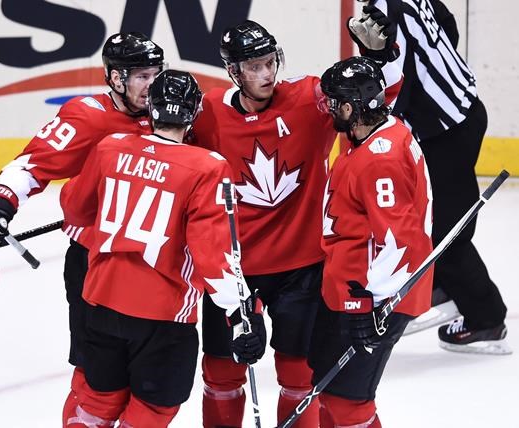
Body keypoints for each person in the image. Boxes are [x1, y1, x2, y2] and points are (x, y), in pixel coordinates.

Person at [190, 19, 402, 427]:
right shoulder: (209, 113)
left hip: (302, 268)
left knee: (299, 376)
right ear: (234, 72)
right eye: (254, 66)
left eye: (270, 62)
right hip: (234, 272)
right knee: (220, 374)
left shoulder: (309, 98)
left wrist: (378, 57)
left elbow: (375, 96)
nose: (267, 73)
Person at [0, 32, 170, 421]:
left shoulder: (172, 112)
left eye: (156, 74)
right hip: (94, 264)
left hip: (155, 267)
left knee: (151, 379)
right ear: (115, 79)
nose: (153, 84)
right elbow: (32, 163)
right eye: (142, 76)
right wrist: (0, 199)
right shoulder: (88, 115)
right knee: (95, 377)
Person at [59, 69, 267, 427]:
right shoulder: (207, 167)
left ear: (151, 108)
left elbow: (75, 208)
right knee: (154, 408)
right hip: (163, 315)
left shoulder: (110, 149)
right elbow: (212, 253)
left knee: (95, 402)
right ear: (195, 111)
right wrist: (242, 312)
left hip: (101, 302)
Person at [354, 0, 510, 354]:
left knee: (445, 233)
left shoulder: (385, 9)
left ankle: (485, 319)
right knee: (435, 217)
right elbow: (448, 25)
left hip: (443, 132)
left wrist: (382, 130)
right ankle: (443, 285)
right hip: (464, 110)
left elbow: (398, 83)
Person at [309, 56, 433, 427]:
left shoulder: (380, 160)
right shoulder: (373, 130)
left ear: (351, 107)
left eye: (333, 102)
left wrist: (370, 301)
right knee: (329, 391)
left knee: (350, 401)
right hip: (350, 287)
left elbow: (402, 242)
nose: (327, 108)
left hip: (371, 298)